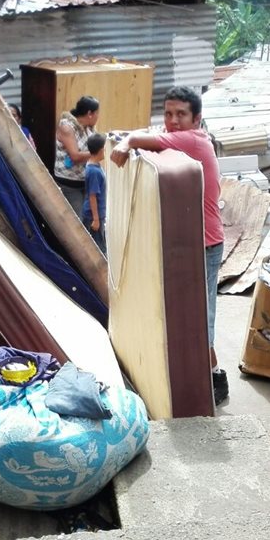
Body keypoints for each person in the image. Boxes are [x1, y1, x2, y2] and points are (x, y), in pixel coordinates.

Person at [110, 86, 228, 405]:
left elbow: (139, 139)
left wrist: (128, 141)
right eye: (168, 113)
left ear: (197, 119)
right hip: (185, 241)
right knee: (185, 315)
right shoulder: (176, 136)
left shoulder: (194, 140)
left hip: (204, 243)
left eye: (181, 115)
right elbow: (150, 134)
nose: (173, 121)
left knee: (201, 317)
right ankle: (207, 375)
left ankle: (214, 377)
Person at [55, 96, 100, 211]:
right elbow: (75, 156)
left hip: (83, 180)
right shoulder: (67, 127)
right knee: (78, 222)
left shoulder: (89, 127)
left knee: (88, 217)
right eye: (97, 113)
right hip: (69, 183)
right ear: (90, 114)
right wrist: (98, 152)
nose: (98, 117)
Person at [81, 132, 107, 255]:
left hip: (96, 214)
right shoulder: (94, 172)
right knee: (99, 249)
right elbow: (92, 196)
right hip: (93, 216)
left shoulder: (93, 165)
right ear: (101, 150)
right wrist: (96, 219)